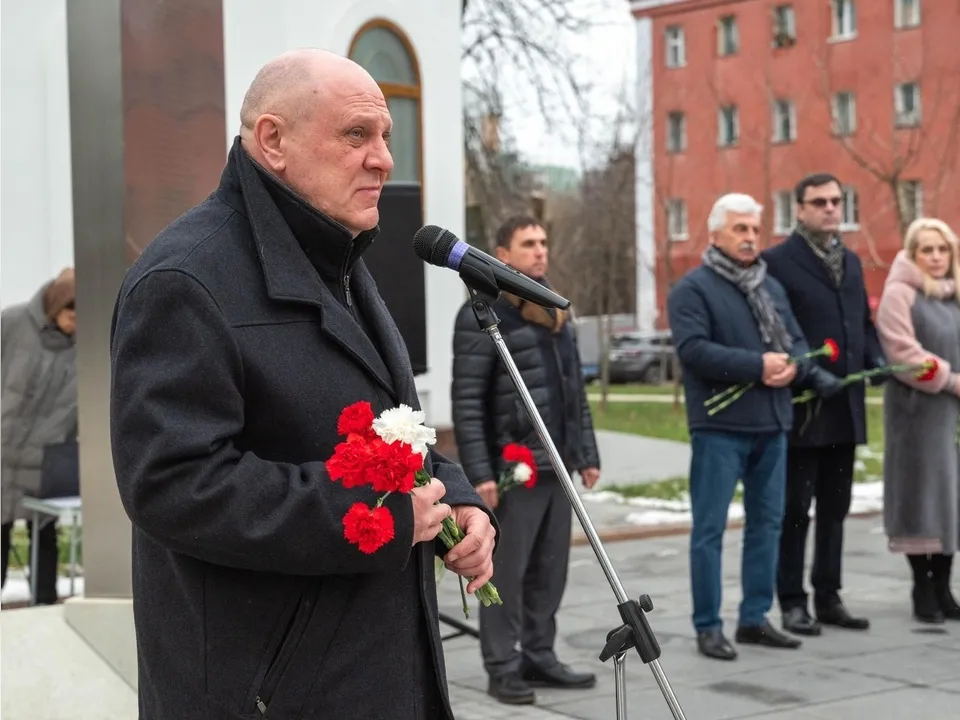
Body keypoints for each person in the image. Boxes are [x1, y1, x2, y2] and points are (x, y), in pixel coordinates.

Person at [109, 49, 497, 720]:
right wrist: (372, 518)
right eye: (356, 135)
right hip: (267, 690)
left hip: (374, 671)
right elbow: (173, 485)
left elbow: (381, 428)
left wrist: (454, 498)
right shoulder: (185, 281)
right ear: (274, 140)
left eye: (385, 137)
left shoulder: (340, 261)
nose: (383, 159)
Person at [667, 194, 843, 661]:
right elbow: (693, 351)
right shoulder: (693, 288)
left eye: (754, 230)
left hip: (773, 422)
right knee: (710, 529)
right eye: (739, 229)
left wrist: (794, 367)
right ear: (716, 234)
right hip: (719, 427)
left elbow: (796, 341)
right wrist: (757, 366)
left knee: (767, 524)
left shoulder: (769, 286)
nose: (749, 238)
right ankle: (708, 625)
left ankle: (754, 619)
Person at [450, 215, 600, 704]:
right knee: (507, 573)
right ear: (502, 254)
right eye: (528, 244)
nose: (539, 252)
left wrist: (586, 453)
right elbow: (468, 400)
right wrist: (477, 474)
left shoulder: (555, 309)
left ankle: (540, 655)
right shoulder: (483, 309)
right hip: (512, 469)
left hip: (557, 464)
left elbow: (574, 391)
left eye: (543, 242)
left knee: (549, 569)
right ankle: (503, 666)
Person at [761, 173, 886, 637]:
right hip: (804, 405)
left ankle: (828, 595)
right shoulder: (777, 262)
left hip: (846, 404)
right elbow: (778, 329)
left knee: (836, 507)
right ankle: (792, 601)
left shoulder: (851, 262)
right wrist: (813, 373)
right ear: (799, 208)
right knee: (796, 508)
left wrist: (877, 359)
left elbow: (863, 323)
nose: (831, 208)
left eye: (836, 200)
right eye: (820, 202)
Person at [875, 217, 960, 624]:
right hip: (917, 413)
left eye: (943, 249)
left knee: (951, 498)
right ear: (913, 254)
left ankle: (944, 587)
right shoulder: (900, 294)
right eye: (927, 249)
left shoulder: (955, 294)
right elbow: (903, 354)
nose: (937, 257)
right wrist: (951, 379)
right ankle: (921, 587)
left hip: (953, 415)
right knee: (920, 495)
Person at [1, 268, 78, 604]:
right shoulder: (12, 323)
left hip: (44, 461)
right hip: (2, 451)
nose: (76, 324)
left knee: (45, 538)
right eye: (70, 314)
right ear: (55, 306)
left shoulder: (87, 347)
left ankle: (46, 610)